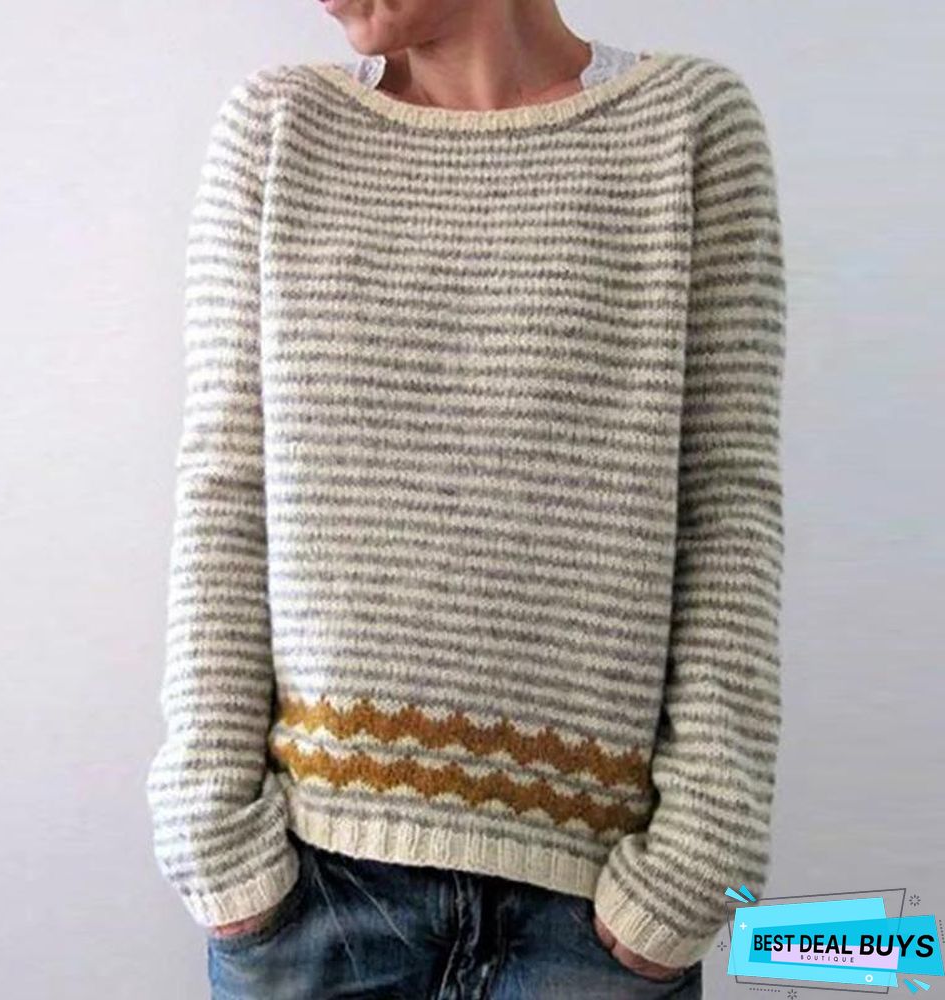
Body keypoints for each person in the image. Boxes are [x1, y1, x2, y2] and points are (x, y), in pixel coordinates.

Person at [145, 1, 786, 996]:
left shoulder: (689, 124)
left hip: (596, 907)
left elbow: (727, 501)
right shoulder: (279, 129)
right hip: (315, 891)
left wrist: (706, 845)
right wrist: (210, 827)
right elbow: (227, 485)